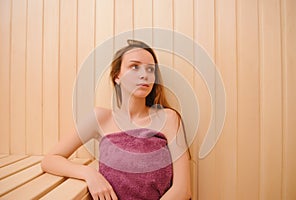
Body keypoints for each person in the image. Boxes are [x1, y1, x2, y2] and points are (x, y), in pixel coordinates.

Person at [41, 39, 191, 200]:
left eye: (150, 69)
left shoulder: (168, 118)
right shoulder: (101, 118)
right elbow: (50, 160)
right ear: (117, 77)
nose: (144, 75)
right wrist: (90, 174)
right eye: (134, 67)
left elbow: (183, 190)